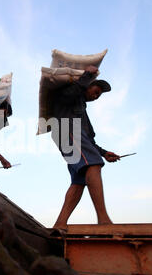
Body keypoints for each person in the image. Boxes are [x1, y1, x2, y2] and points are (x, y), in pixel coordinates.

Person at [51, 65, 120, 232]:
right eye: (96, 92)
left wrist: (104, 153)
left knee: (79, 181)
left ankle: (60, 223)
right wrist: (88, 74)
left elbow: (89, 140)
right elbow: (69, 94)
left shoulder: (82, 112)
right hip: (67, 130)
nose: (96, 97)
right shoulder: (70, 94)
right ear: (87, 85)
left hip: (71, 134)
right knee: (93, 165)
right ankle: (103, 220)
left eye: (99, 95)